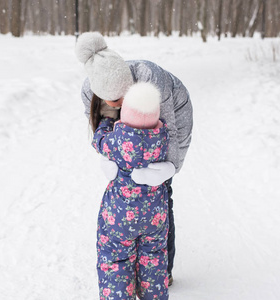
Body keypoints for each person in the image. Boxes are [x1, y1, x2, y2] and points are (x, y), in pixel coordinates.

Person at [75, 31, 193, 286]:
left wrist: (168, 169)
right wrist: (108, 159)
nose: (120, 103)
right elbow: (99, 131)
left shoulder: (152, 80)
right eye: (114, 100)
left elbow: (171, 132)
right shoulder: (89, 91)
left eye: (123, 95)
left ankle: (163, 270)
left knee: (159, 194)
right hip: (129, 117)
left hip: (172, 113)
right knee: (127, 189)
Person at [92, 82, 170, 300]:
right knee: (154, 262)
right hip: (155, 216)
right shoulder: (161, 140)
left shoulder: (117, 141)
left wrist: (107, 121)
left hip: (120, 218)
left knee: (115, 262)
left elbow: (97, 140)